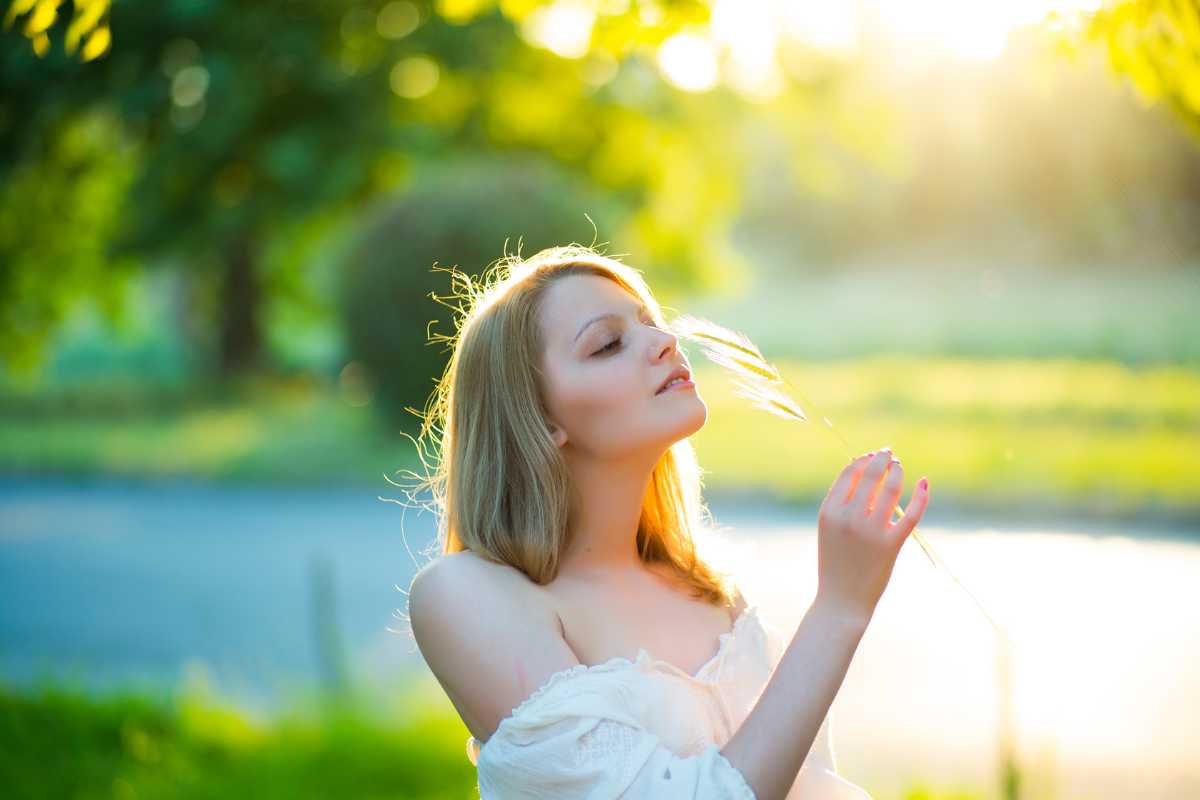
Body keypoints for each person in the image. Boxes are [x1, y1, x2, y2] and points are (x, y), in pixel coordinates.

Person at [405, 245, 931, 798]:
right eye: (608, 344)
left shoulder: (713, 595)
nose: (664, 343)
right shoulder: (466, 594)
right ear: (539, 419)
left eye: (651, 324)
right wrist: (839, 609)